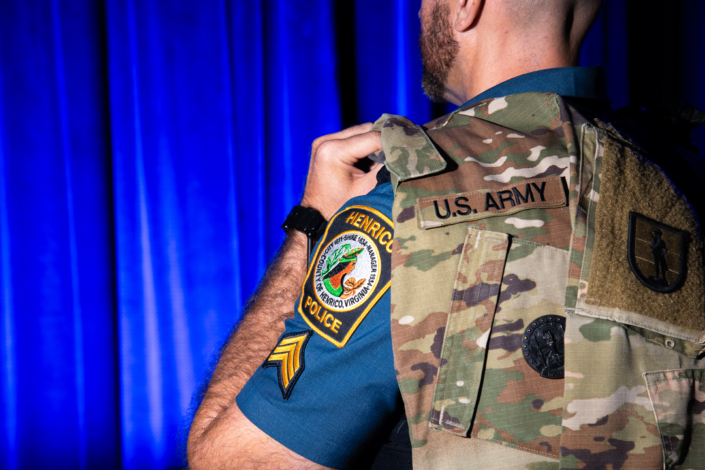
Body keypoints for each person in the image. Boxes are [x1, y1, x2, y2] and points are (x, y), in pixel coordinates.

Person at [188, 1, 705, 469]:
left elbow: (231, 460)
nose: (416, 13)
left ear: (464, 5)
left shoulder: (414, 199)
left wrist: (311, 222)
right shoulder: (688, 176)